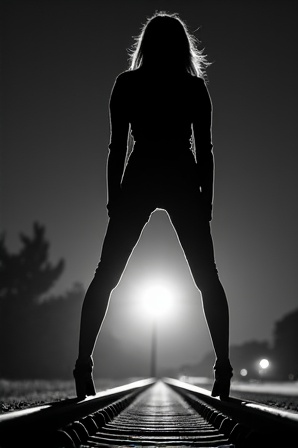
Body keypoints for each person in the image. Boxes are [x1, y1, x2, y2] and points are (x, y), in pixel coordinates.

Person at [73, 12, 233, 401]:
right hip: (181, 174)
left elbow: (116, 148)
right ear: (183, 47)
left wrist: (115, 198)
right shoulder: (194, 88)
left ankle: (82, 365)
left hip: (141, 173)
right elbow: (207, 151)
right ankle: (223, 368)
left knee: (106, 273)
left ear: (145, 45)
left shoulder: (127, 84)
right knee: (206, 276)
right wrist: (206, 201)